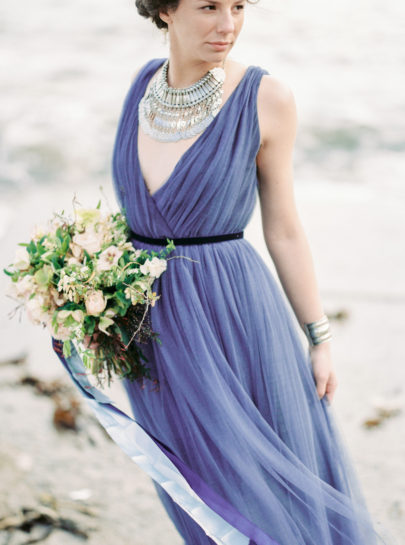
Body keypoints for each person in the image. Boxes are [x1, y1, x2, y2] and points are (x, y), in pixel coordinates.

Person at [54, 1, 397, 544]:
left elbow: (283, 227)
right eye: (209, 6)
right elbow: (134, 220)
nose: (228, 24)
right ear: (165, 10)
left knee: (265, 486)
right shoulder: (141, 87)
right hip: (151, 332)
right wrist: (81, 275)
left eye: (238, 6)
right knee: (194, 489)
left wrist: (319, 336)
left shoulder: (267, 98)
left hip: (232, 316)